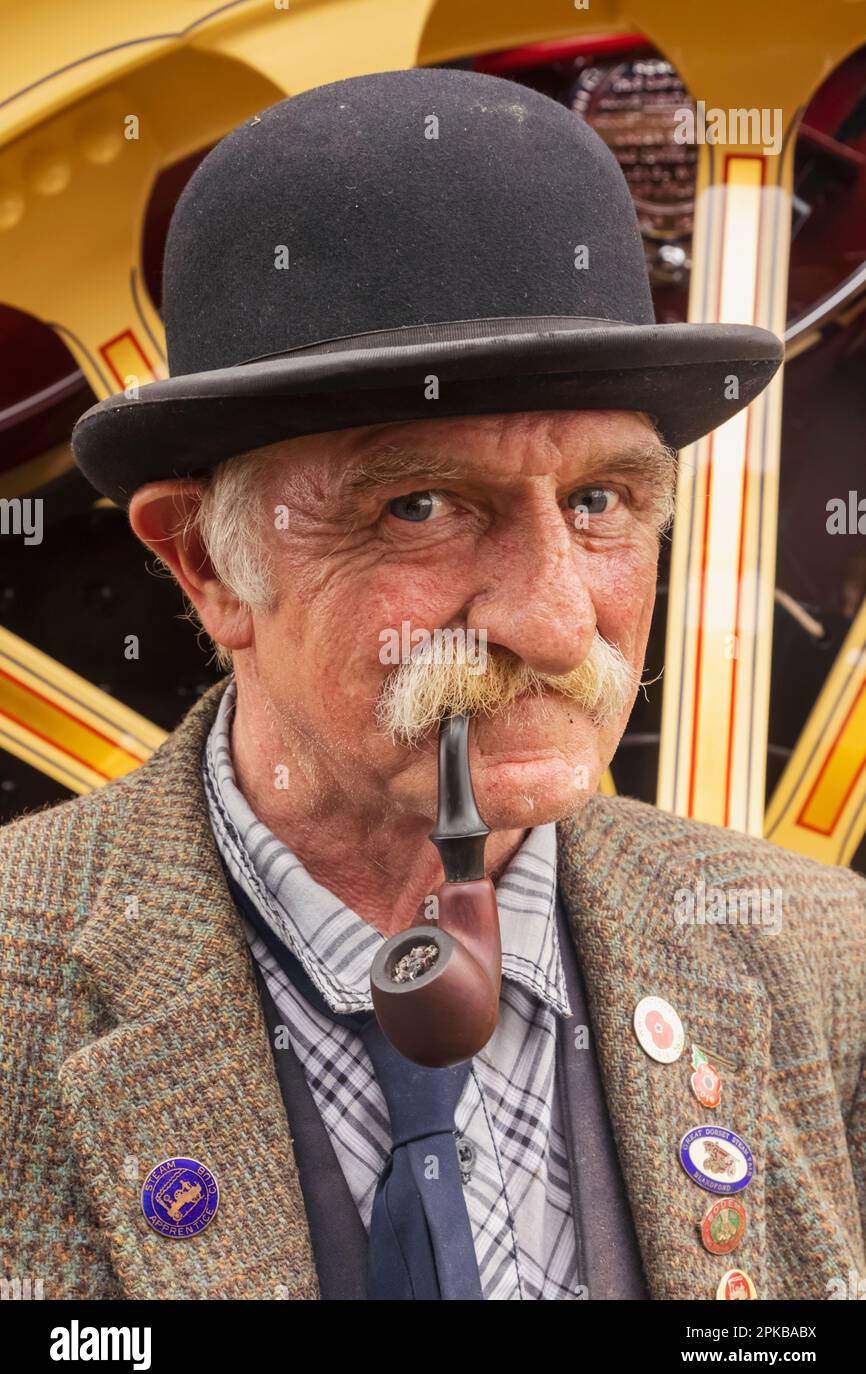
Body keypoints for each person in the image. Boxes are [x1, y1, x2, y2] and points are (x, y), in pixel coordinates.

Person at [2, 67, 863, 1302]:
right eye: (419, 506)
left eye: (599, 501)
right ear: (204, 564)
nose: (559, 622)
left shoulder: (827, 962)